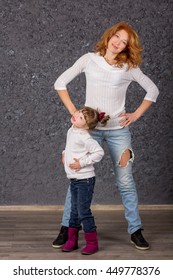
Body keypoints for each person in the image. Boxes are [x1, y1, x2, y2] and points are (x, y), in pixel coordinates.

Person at [53, 21, 159, 251]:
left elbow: (153, 90)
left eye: (124, 42)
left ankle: (135, 230)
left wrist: (135, 115)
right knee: (76, 180)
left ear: (127, 47)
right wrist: (74, 111)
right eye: (117, 37)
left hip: (118, 133)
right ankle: (66, 227)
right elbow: (60, 82)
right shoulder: (88, 59)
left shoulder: (128, 67)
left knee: (125, 182)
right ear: (110, 36)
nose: (119, 43)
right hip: (88, 131)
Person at [61, 106, 109, 254]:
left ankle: (92, 242)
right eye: (79, 112)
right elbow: (69, 146)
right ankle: (72, 240)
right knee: (74, 211)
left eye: (81, 117)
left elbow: (99, 153)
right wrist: (64, 154)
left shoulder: (85, 137)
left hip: (85, 180)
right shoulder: (72, 130)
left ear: (87, 126)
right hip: (75, 180)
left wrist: (81, 163)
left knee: (83, 211)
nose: (77, 115)